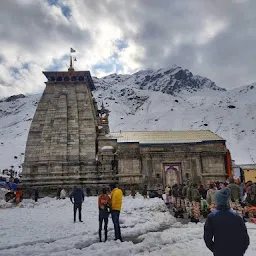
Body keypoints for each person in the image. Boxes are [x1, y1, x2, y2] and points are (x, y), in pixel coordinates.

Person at [204, 188, 250, 256]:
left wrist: (215, 249)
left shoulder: (212, 217)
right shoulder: (236, 216)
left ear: (217, 201)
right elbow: (245, 238)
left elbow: (207, 238)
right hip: (237, 251)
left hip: (220, 251)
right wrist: (241, 250)